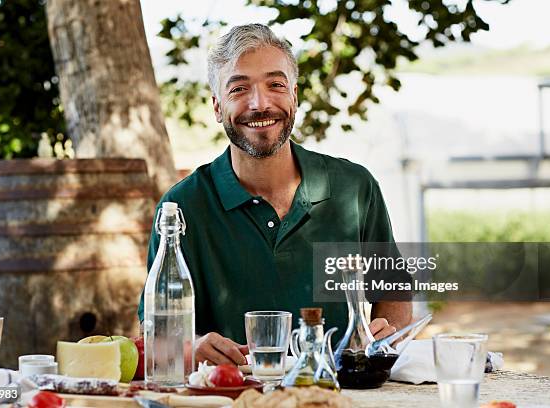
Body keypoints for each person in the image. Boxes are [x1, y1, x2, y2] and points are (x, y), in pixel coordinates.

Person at [138, 23, 412, 366]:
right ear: (217, 107)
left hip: (340, 395)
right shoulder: (181, 208)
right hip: (231, 397)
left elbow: (393, 294)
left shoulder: (354, 187)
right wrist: (189, 349)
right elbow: (156, 336)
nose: (260, 103)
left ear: (294, 96)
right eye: (239, 89)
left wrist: (389, 335)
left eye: (275, 85)